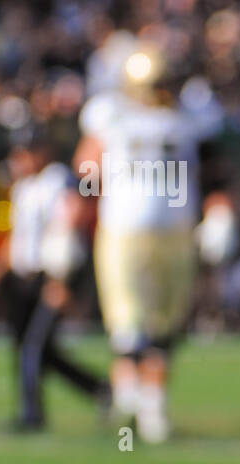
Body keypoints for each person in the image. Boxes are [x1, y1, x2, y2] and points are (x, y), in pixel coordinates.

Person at [74, 41, 223, 443]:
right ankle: (129, 403)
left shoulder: (192, 117)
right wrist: (73, 220)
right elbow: (85, 170)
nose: (162, 91)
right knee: (127, 322)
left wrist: (219, 213)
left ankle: (151, 407)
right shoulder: (112, 115)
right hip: (123, 230)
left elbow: (215, 174)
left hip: (175, 231)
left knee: (166, 322)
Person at [0, 127, 107, 429]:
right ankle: (101, 390)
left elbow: (67, 231)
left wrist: (60, 279)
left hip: (50, 277)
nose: (19, 160)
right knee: (35, 350)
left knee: (34, 346)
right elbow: (19, 241)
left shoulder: (58, 181)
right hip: (23, 279)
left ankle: (32, 415)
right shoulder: (23, 187)